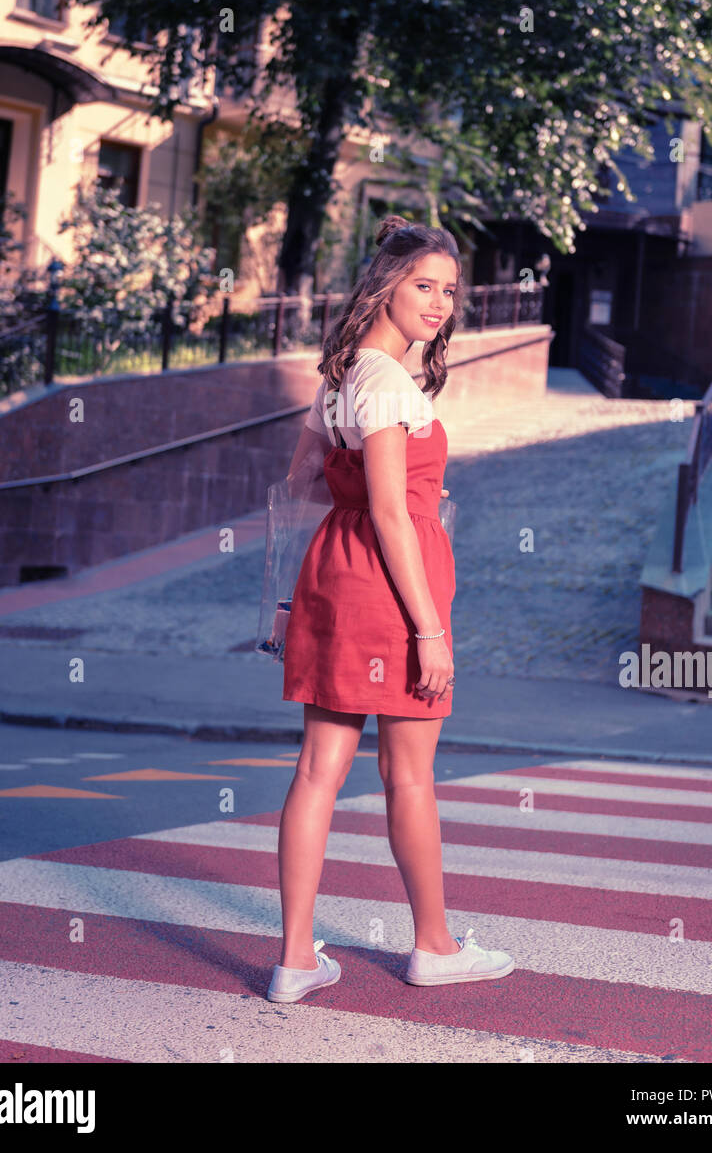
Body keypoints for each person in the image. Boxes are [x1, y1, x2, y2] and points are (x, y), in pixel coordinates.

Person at [267, 215, 514, 1002]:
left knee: (315, 771)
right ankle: (433, 947)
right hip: (388, 589)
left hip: (331, 579)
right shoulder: (385, 381)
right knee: (409, 776)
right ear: (384, 286)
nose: (439, 304)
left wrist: (281, 599)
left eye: (448, 291)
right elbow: (386, 511)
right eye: (424, 286)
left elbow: (299, 486)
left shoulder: (340, 377)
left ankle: (296, 959)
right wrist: (429, 630)